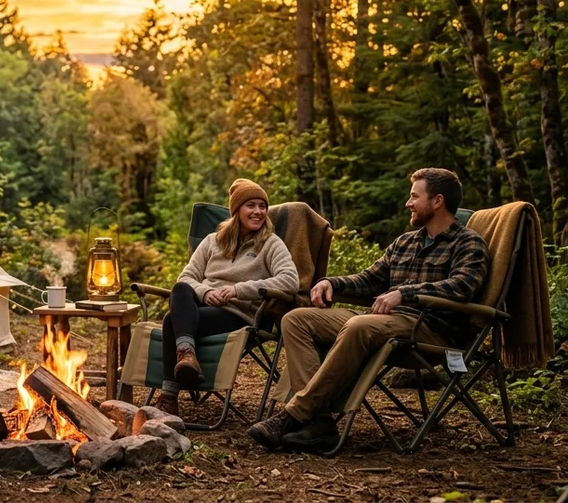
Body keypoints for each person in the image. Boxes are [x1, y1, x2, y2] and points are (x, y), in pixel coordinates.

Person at [246, 167, 489, 452]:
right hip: (383, 322)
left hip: (431, 331)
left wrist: (404, 293)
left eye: (414, 197)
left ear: (437, 201)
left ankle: (294, 414)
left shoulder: (469, 243)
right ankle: (320, 424)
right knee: (297, 319)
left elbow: (462, 287)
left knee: (359, 325)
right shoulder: (404, 242)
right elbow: (370, 279)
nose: (408, 203)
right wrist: (331, 284)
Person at [157, 178, 299, 416]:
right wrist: (206, 291)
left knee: (172, 319)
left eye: (262, 206)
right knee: (180, 290)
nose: (258, 212)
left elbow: (290, 281)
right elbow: (186, 278)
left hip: (240, 313)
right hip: (205, 304)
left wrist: (238, 290)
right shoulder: (212, 241)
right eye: (250, 205)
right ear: (236, 210)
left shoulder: (271, 243)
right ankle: (187, 354)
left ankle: (169, 395)